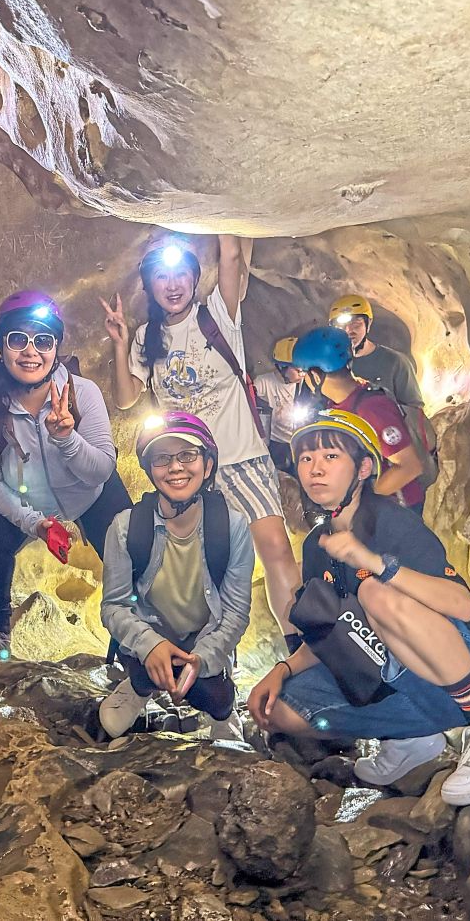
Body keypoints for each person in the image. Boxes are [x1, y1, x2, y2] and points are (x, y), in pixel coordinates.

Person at [247, 410, 470, 806]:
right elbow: (326, 636)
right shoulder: (318, 546)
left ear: (364, 467)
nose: (316, 469)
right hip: (400, 684)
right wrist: (280, 670)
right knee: (281, 709)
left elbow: (461, 603)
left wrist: (377, 564)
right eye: (306, 459)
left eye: (331, 457)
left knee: (375, 595)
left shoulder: (393, 523)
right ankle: (410, 738)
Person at [101, 233, 301, 646]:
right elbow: (125, 398)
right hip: (187, 468)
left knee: (276, 550)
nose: (172, 285)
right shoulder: (146, 337)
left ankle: (301, 647)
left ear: (195, 279)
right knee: (200, 571)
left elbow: (231, 253)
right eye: (161, 276)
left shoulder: (217, 316)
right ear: (150, 285)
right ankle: (209, 658)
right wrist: (121, 345)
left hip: (240, 457)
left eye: (180, 275)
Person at [0, 291, 132, 673]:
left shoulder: (81, 393)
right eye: (17, 339)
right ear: (2, 346)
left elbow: (102, 470)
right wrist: (34, 522)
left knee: (131, 547)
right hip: (31, 502)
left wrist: (66, 439)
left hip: (89, 494)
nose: (30, 352)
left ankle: (131, 635)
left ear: (56, 348)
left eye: (43, 341)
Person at [99, 412, 253, 740]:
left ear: (207, 465)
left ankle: (223, 710)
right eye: (162, 458)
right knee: (130, 696)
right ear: (150, 469)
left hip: (202, 637)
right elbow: (114, 606)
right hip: (151, 631)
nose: (176, 467)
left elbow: (236, 612)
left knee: (213, 696)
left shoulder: (232, 527)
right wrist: (149, 645)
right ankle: (139, 685)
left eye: (187, 455)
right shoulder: (126, 527)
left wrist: (203, 658)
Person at [291, 325, 426, 514]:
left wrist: (361, 501)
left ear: (314, 375)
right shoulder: (337, 404)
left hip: (396, 511)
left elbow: (410, 466)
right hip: (372, 509)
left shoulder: (370, 408)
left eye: (303, 374)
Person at [328, 295, 424, 410]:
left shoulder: (395, 362)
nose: (348, 330)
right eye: (341, 326)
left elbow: (415, 410)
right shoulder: (326, 365)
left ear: (368, 324)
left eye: (356, 323)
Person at [253, 335, 308, 472]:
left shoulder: (305, 385)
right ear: (282, 367)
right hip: (275, 444)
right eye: (298, 370)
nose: (302, 375)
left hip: (298, 441)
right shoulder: (263, 383)